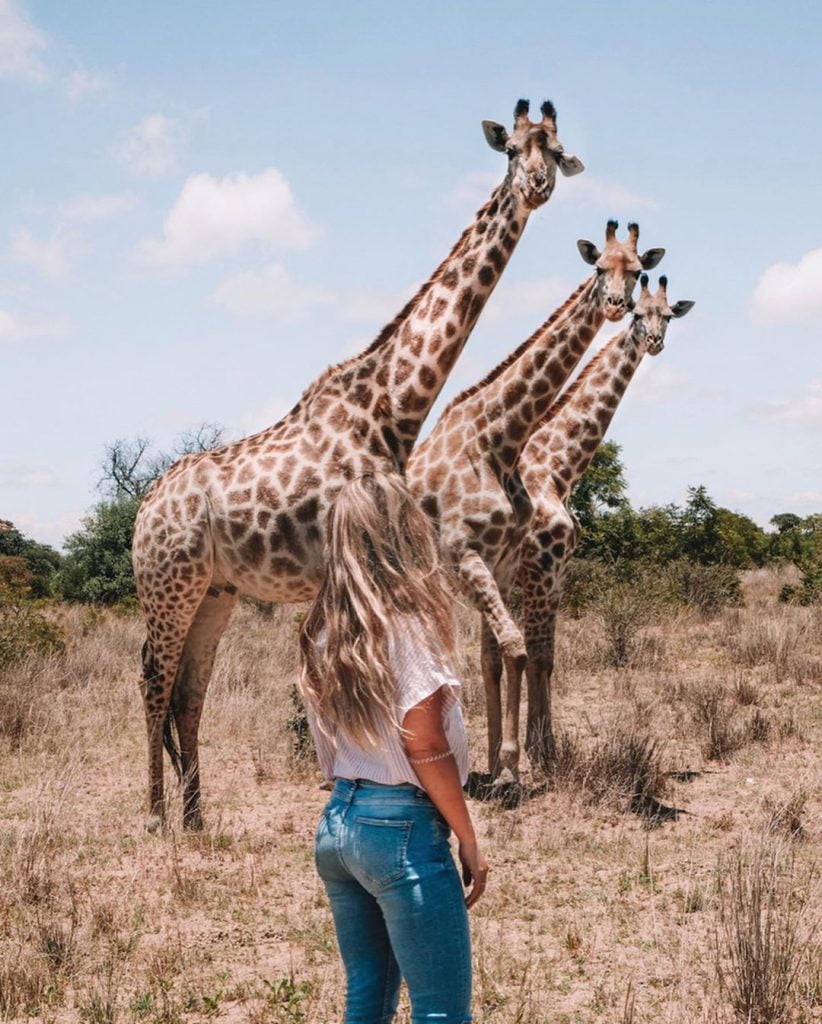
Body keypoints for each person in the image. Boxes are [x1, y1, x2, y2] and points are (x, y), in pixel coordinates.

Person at [299, 470, 488, 1024]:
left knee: (367, 996)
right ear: (404, 534)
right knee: (441, 1012)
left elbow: (326, 748)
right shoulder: (406, 626)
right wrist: (467, 837)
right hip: (400, 830)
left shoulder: (322, 628)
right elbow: (424, 743)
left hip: (339, 825)